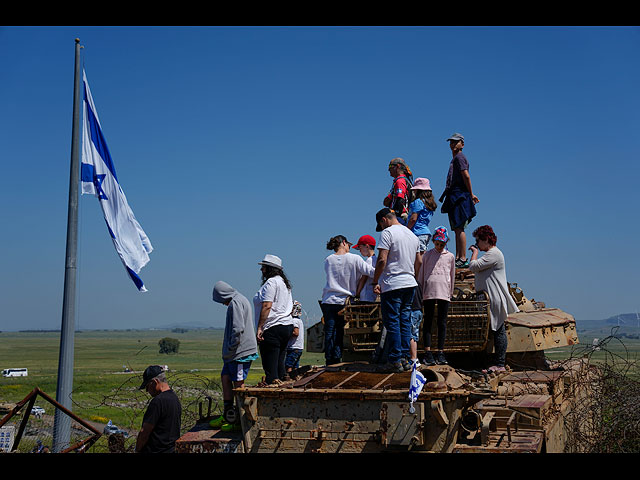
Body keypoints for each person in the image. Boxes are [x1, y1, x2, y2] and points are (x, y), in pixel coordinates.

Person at [372, 208, 421, 373]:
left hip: (392, 284)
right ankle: (405, 358)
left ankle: (394, 359)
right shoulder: (412, 235)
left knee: (392, 322)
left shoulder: (388, 233)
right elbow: (419, 261)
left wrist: (375, 281)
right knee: (405, 321)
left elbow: (381, 260)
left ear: (384, 219)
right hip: (410, 283)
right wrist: (412, 275)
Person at [468, 225, 519, 373]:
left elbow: (473, 266)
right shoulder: (492, 254)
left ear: (486, 240)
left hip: (494, 297)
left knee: (498, 330)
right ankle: (493, 362)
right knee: (492, 330)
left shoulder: (493, 254)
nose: (477, 243)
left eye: (478, 240)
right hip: (489, 298)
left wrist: (474, 253)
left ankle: (500, 363)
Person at [210, 280, 258, 430]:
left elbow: (238, 329)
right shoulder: (239, 299)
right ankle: (228, 414)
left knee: (238, 384)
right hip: (234, 354)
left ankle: (238, 420)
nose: (222, 303)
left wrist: (231, 348)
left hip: (240, 353)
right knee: (225, 378)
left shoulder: (236, 303)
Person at [321, 235, 376, 365]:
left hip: (328, 300)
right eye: (349, 245)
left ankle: (330, 360)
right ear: (344, 243)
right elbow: (370, 272)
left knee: (329, 331)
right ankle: (337, 359)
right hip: (344, 301)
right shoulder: (354, 258)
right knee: (340, 332)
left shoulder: (328, 260)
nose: (350, 248)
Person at [417, 226, 456, 366]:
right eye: (437, 243)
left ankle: (440, 351)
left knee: (442, 323)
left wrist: (450, 293)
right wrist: (420, 290)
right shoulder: (427, 255)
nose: (439, 246)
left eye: (442, 244)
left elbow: (452, 276)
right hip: (429, 291)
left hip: (444, 292)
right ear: (434, 241)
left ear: (446, 243)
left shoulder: (450, 257)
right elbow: (421, 274)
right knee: (427, 321)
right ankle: (427, 352)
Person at [253, 254, 295, 384]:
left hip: (273, 326)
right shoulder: (284, 284)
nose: (261, 270)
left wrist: (260, 327)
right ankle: (282, 381)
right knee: (279, 361)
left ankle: (273, 385)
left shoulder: (271, 282)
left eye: (264, 267)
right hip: (287, 324)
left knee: (270, 364)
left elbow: (267, 306)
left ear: (269, 268)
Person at [439, 133, 479, 268]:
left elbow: (466, 175)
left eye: (456, 142)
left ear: (462, 144)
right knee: (457, 228)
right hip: (455, 195)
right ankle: (458, 257)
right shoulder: (456, 158)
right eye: (451, 142)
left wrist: (471, 193)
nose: (453, 144)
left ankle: (462, 257)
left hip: (459, 195)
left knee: (459, 227)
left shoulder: (460, 158)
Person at [136, 365, 182, 453]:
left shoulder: (158, 402)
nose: (147, 391)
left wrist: (138, 450)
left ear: (155, 382)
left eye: (147, 386)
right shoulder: (174, 398)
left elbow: (145, 432)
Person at [407, 177, 437, 263]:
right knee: (423, 255)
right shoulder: (428, 204)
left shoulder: (417, 202)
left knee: (417, 257)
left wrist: (406, 229)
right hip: (425, 232)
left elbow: (413, 218)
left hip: (417, 232)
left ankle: (419, 275)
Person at [383, 157, 414, 225]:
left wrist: (394, 213)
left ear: (397, 166)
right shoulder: (406, 181)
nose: (388, 170)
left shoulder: (400, 181)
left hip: (400, 217)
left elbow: (400, 199)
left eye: (390, 166)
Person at [352, 234, 378, 302]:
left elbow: (364, 278)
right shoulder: (376, 259)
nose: (360, 251)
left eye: (360, 248)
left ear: (367, 246)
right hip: (372, 295)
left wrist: (357, 293)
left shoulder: (369, 260)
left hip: (365, 295)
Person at [285, 301, 304, 375]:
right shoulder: (299, 320)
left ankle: (289, 377)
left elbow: (296, 333)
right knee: (295, 366)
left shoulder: (294, 321)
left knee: (288, 366)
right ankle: (295, 378)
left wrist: (286, 333)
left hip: (293, 347)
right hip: (298, 347)